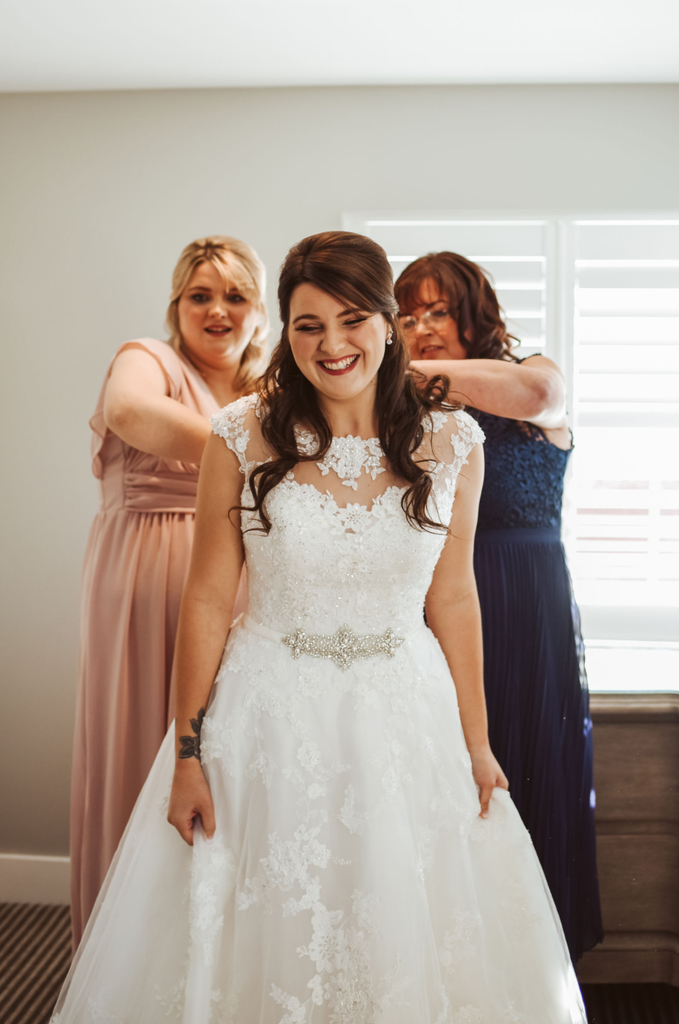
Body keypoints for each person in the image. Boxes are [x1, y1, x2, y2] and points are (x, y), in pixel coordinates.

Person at [53, 231, 586, 1024]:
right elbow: (206, 600)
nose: (331, 345)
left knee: (402, 928)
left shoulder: (453, 443)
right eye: (307, 326)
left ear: (384, 322)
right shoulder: (239, 435)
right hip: (262, 722)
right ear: (287, 331)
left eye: (350, 320)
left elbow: (454, 600)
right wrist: (190, 751)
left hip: (406, 717)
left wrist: (475, 744)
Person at [395, 250, 603, 962]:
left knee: (525, 767)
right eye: (406, 313)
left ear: (473, 314)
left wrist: (385, 369)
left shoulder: (531, 374)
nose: (420, 325)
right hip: (435, 613)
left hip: (525, 608)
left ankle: (529, 964)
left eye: (437, 310)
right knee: (442, 776)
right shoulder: (403, 413)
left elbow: (536, 396)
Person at [70, 235, 268, 948]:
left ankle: (212, 955)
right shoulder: (144, 359)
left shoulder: (265, 390)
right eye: (199, 295)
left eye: (235, 296)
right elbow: (129, 415)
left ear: (259, 311)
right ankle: (122, 956)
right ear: (176, 305)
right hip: (147, 578)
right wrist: (259, 452)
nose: (217, 310)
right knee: (141, 746)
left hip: (240, 587)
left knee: (226, 759)